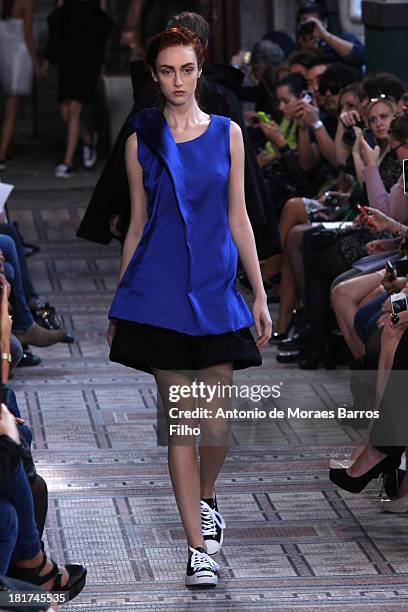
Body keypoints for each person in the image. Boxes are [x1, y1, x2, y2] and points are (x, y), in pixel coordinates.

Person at [106, 26, 271, 587]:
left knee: (215, 423)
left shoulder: (227, 134)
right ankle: (198, 549)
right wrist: (120, 303)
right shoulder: (139, 140)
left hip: (216, 289)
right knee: (182, 420)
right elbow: (135, 226)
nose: (178, 80)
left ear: (201, 71)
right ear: (154, 76)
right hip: (158, 294)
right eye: (168, 71)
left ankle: (206, 496)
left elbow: (239, 217)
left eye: (188, 69)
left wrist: (260, 292)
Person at [45, 0, 113, 178]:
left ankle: (68, 162)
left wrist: (102, 62)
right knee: (66, 112)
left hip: (88, 56)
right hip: (68, 56)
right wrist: (48, 59)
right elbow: (56, 22)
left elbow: (103, 27)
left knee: (75, 107)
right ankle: (89, 141)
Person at [0, 0, 44, 170]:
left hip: (4, 51)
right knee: (12, 107)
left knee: (9, 105)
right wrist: (37, 64)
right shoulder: (26, 2)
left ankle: (4, 149)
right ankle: (2, 153)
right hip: (18, 53)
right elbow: (28, 35)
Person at [296, 0, 364, 69]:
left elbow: (361, 56)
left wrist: (324, 34)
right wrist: (306, 51)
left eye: (312, 24)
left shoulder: (345, 39)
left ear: (324, 23)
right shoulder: (300, 47)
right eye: (304, 22)